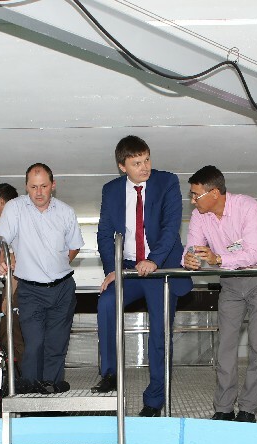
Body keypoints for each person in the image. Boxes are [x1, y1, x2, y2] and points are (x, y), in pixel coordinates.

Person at [93, 136, 192, 417]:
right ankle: (110, 373)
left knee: (159, 333)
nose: (144, 167)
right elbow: (104, 234)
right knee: (107, 303)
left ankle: (154, 400)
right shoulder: (111, 190)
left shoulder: (167, 182)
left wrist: (154, 259)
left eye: (147, 159)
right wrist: (112, 269)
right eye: (136, 163)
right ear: (122, 166)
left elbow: (171, 227)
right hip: (128, 267)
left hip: (160, 268)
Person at [182, 166, 257, 423]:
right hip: (231, 283)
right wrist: (189, 259)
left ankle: (248, 408)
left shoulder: (247, 207)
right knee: (225, 346)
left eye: (196, 195)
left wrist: (218, 259)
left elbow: (253, 253)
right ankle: (223, 408)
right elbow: (191, 247)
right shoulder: (199, 216)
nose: (192, 200)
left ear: (214, 193)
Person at [0, 163, 83, 393]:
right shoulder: (14, 208)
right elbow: (1, 241)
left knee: (56, 344)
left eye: (43, 186)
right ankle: (30, 394)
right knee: (34, 344)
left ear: (53, 185)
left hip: (62, 289)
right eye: (33, 187)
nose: (39, 192)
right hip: (30, 290)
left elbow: (74, 247)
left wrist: (54, 265)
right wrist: (3, 258)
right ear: (26, 187)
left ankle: (52, 393)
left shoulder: (66, 212)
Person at [0, 182, 24, 371]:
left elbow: (16, 264)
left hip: (15, 287)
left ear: (2, 202)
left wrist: (7, 297)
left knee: (10, 332)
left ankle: (16, 378)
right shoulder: (16, 223)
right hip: (12, 286)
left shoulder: (15, 225)